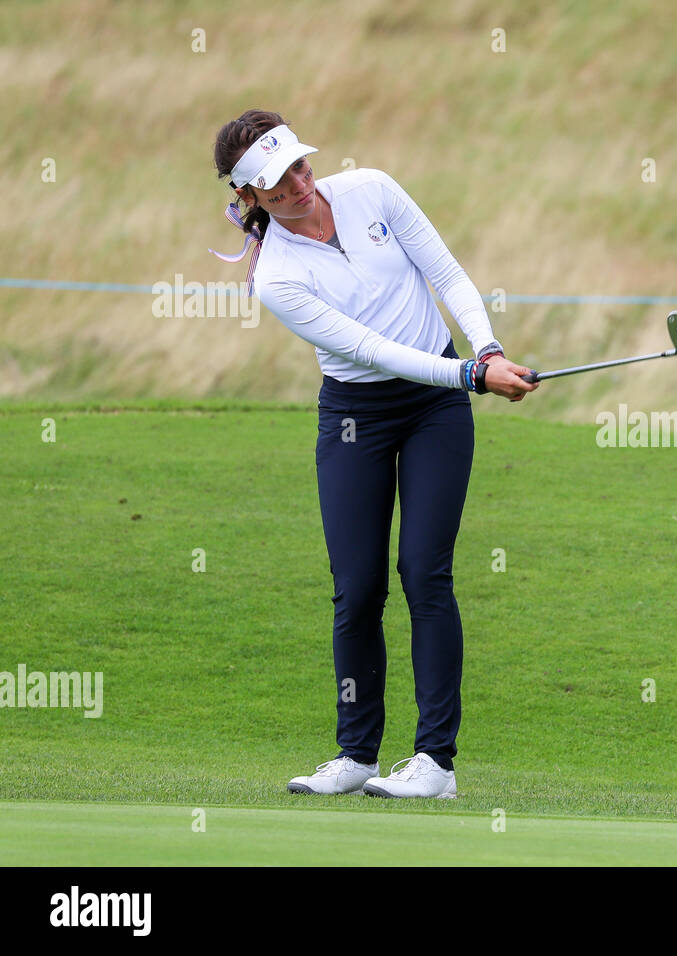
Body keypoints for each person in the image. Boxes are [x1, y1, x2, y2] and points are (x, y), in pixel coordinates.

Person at [211, 110, 537, 798]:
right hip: (357, 415)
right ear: (248, 199)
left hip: (434, 411)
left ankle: (435, 764)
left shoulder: (372, 190)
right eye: (277, 183)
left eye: (300, 166)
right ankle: (356, 755)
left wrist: (487, 350)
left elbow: (447, 274)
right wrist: (472, 377)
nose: (300, 185)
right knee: (356, 588)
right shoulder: (275, 276)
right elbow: (366, 349)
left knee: (424, 573)